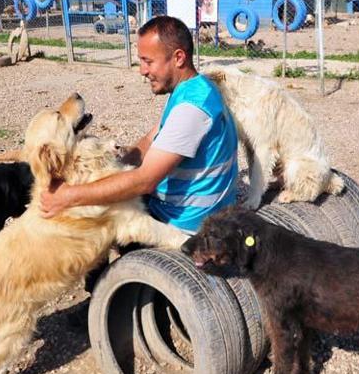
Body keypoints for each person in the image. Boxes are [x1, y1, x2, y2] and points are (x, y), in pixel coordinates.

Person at [39, 16, 238, 234]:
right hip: (192, 210)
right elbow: (148, 141)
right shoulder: (194, 89)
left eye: (148, 61)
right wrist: (114, 167)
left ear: (178, 58)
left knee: (85, 221)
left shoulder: (191, 110)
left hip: (184, 223)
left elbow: (145, 182)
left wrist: (67, 196)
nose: (142, 70)